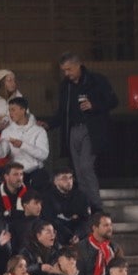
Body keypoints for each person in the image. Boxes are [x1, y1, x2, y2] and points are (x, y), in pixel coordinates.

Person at [55, 53, 116, 213]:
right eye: (64, 70)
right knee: (78, 171)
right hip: (72, 130)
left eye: (69, 69)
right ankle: (85, 206)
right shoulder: (65, 86)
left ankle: (97, 206)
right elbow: (62, 112)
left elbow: (113, 101)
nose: (66, 73)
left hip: (91, 129)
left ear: (78, 65)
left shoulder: (97, 80)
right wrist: (48, 124)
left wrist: (94, 105)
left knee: (86, 166)